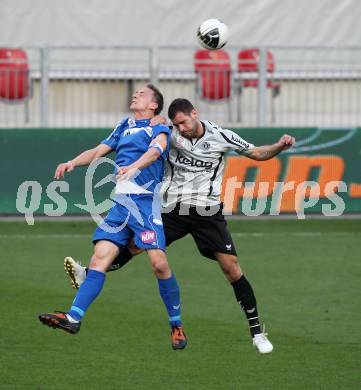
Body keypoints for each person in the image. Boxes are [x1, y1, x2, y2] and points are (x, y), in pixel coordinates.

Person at [64, 98, 295, 354]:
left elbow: (257, 153)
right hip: (171, 209)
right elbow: (156, 139)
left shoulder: (221, 136)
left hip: (207, 212)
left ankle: (256, 332)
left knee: (232, 269)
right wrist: (158, 124)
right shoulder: (171, 134)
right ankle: (88, 273)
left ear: (194, 113)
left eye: (183, 122)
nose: (181, 128)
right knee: (137, 248)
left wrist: (279, 146)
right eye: (177, 124)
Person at [38, 86, 187, 350]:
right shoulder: (124, 125)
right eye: (136, 92)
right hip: (120, 204)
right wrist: (73, 162)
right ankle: (73, 318)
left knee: (159, 265)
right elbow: (99, 150)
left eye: (142, 93)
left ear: (154, 105)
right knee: (99, 259)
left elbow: (156, 150)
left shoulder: (159, 127)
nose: (135, 94)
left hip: (144, 203)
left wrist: (134, 166)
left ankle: (176, 324)